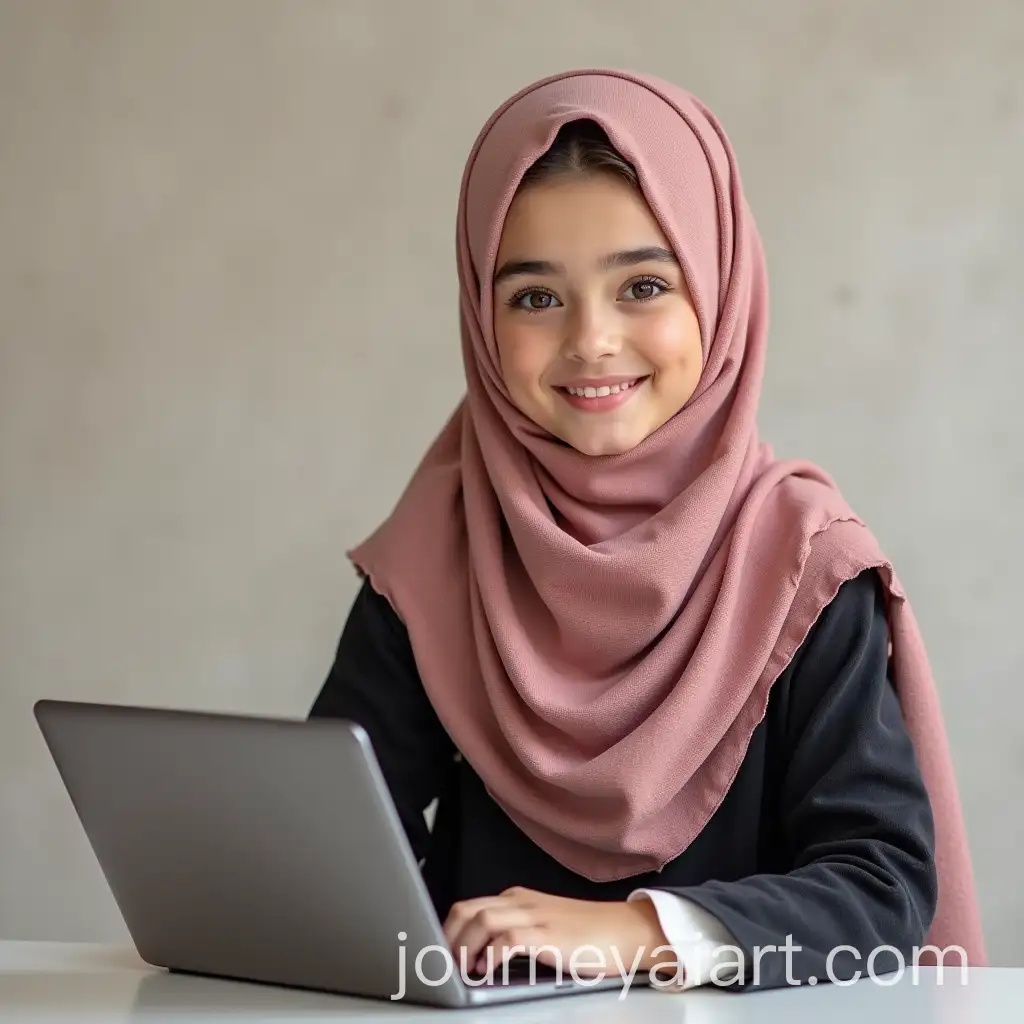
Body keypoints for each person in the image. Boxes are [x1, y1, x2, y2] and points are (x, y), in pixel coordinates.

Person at [309, 68, 986, 991]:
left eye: (642, 285)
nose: (591, 339)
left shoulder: (799, 563)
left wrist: (635, 934)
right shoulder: (446, 544)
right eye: (535, 298)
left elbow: (883, 892)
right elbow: (334, 846)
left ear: (718, 289)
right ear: (480, 313)